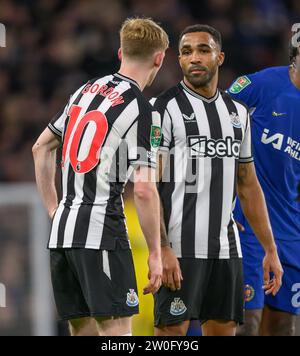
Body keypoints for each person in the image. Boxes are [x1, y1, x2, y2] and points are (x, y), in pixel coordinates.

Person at [32, 17, 169, 336]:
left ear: (120, 52)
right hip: (101, 233)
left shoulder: (83, 91)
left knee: (82, 332)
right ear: (159, 59)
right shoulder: (144, 109)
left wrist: (55, 210)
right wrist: (156, 253)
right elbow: (145, 191)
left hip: (62, 235)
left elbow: (40, 148)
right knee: (117, 334)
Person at [151, 24, 283, 337]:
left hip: (226, 248)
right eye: (186, 52)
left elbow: (247, 183)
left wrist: (270, 249)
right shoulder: (164, 108)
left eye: (203, 50)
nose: (194, 58)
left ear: (219, 57)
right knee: (170, 335)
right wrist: (163, 249)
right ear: (179, 61)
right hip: (180, 249)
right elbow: (149, 185)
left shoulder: (238, 113)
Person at [228, 32, 300, 336]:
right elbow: (211, 125)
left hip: (292, 232)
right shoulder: (260, 85)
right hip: (250, 225)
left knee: (284, 328)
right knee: (247, 324)